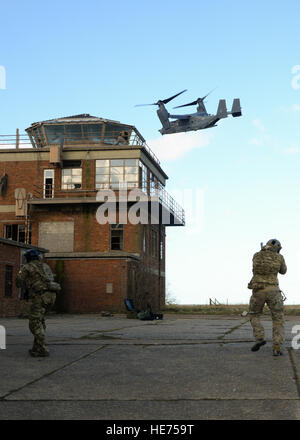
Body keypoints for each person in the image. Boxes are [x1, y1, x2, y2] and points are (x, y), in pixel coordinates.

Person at [16, 249, 60, 357]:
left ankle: (43, 348)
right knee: (40, 321)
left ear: (28, 258)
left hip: (39, 296)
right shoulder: (46, 266)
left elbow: (18, 282)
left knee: (34, 323)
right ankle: (37, 348)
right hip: (51, 296)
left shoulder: (27, 267)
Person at [248, 239, 287, 356]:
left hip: (258, 290)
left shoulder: (256, 255)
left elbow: (254, 269)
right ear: (277, 248)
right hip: (273, 291)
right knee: (278, 319)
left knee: (254, 315)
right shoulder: (279, 257)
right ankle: (277, 348)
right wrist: (277, 256)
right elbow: (283, 271)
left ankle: (259, 337)